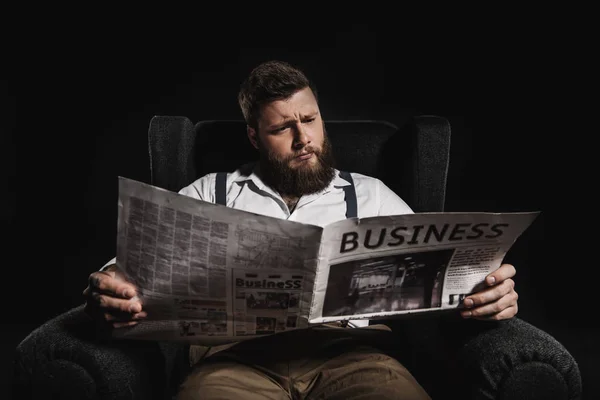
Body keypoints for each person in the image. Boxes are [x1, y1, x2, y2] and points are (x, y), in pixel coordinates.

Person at [83, 60, 519, 399]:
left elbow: (440, 270)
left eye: (309, 120)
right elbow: (134, 263)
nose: (303, 138)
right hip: (233, 361)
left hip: (352, 353)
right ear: (255, 137)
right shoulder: (209, 190)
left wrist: (489, 288)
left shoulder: (371, 194)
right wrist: (112, 282)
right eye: (282, 128)